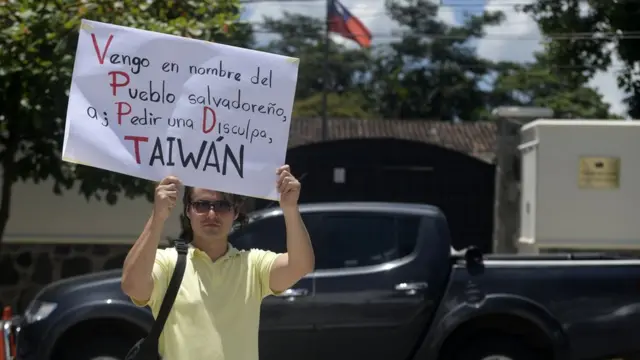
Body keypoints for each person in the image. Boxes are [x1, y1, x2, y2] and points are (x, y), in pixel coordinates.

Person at [121, 165, 314, 360]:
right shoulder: (168, 262)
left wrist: (290, 209)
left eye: (222, 206)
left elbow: (301, 265)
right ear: (188, 210)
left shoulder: (252, 265)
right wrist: (158, 216)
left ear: (235, 212)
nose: (211, 214)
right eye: (202, 205)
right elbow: (132, 286)